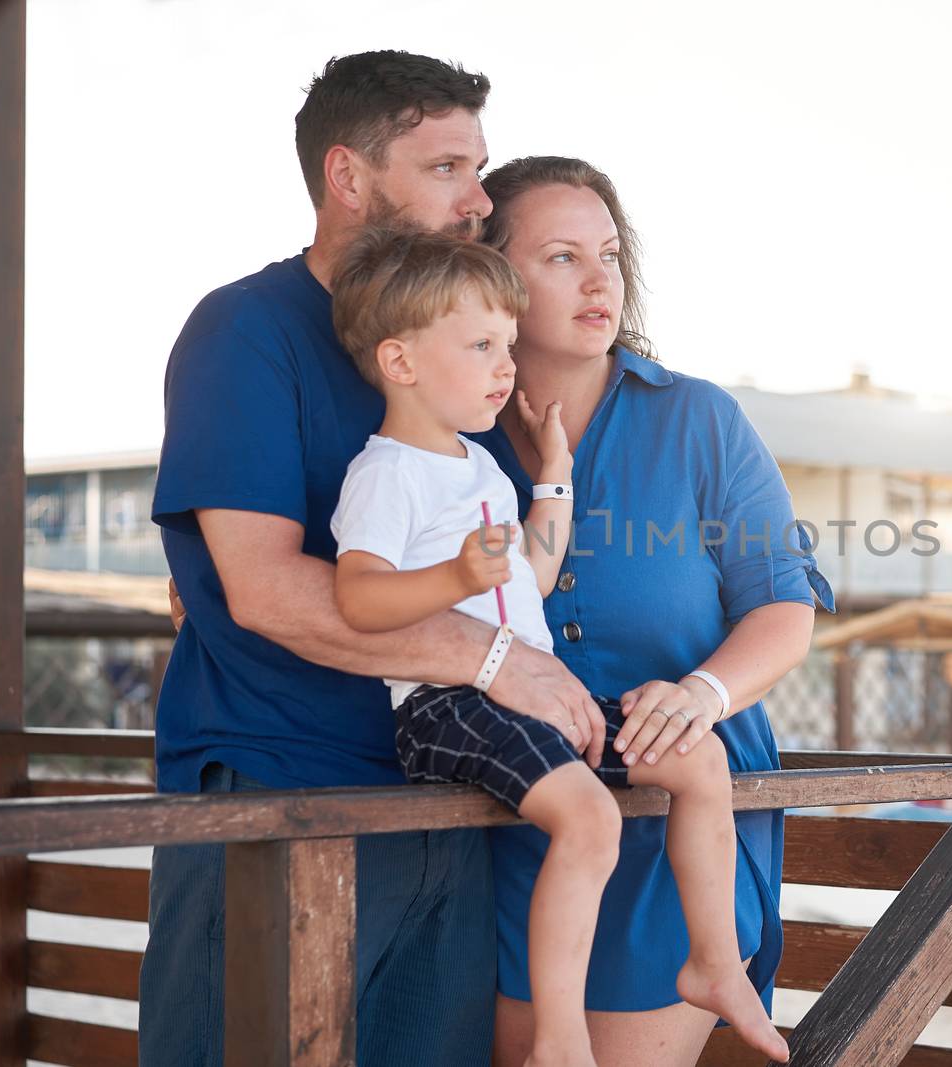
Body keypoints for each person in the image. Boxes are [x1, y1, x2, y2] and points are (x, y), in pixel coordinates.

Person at [141, 52, 603, 1065]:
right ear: (348, 177)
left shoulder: (459, 350)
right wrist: (496, 661)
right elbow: (261, 587)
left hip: (452, 794)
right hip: (283, 793)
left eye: (478, 169)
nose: (480, 199)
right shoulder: (245, 331)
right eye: (446, 167)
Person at [326, 227, 790, 1065]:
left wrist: (554, 475)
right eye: (482, 345)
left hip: (525, 708)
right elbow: (357, 597)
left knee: (699, 759)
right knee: (589, 815)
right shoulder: (387, 472)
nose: (502, 365)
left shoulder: (479, 466)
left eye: (505, 344)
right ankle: (561, 1038)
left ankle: (716, 963)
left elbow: (532, 576)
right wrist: (453, 576)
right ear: (400, 362)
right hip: (449, 706)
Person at [471, 156, 836, 1067]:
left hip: (676, 838)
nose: (601, 280)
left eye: (609, 253)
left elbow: (784, 607)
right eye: (562, 257)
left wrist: (704, 692)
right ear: (492, 279)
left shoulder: (702, 421)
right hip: (502, 820)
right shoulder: (449, 436)